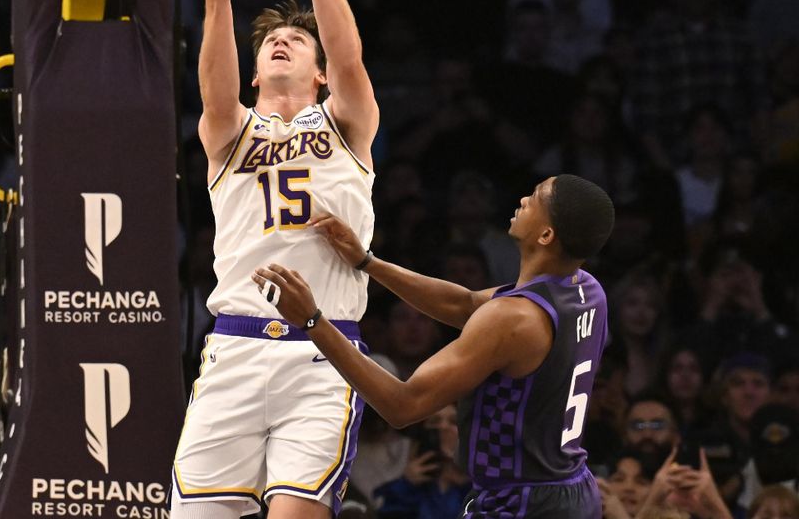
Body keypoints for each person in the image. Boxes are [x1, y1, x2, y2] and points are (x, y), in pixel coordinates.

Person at [252, 174, 616, 518]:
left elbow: (402, 405)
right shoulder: (586, 289)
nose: (523, 199)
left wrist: (312, 320)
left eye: (535, 198)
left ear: (547, 234)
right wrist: (367, 262)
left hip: (521, 502)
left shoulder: (514, 319)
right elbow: (466, 305)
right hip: (572, 488)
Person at [173, 0, 379, 517]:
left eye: (297, 41)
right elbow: (214, 93)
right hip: (235, 350)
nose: (280, 43)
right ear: (254, 73)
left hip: (324, 353)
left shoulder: (345, 125)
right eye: (267, 44)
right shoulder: (230, 132)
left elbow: (350, 56)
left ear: (320, 74)